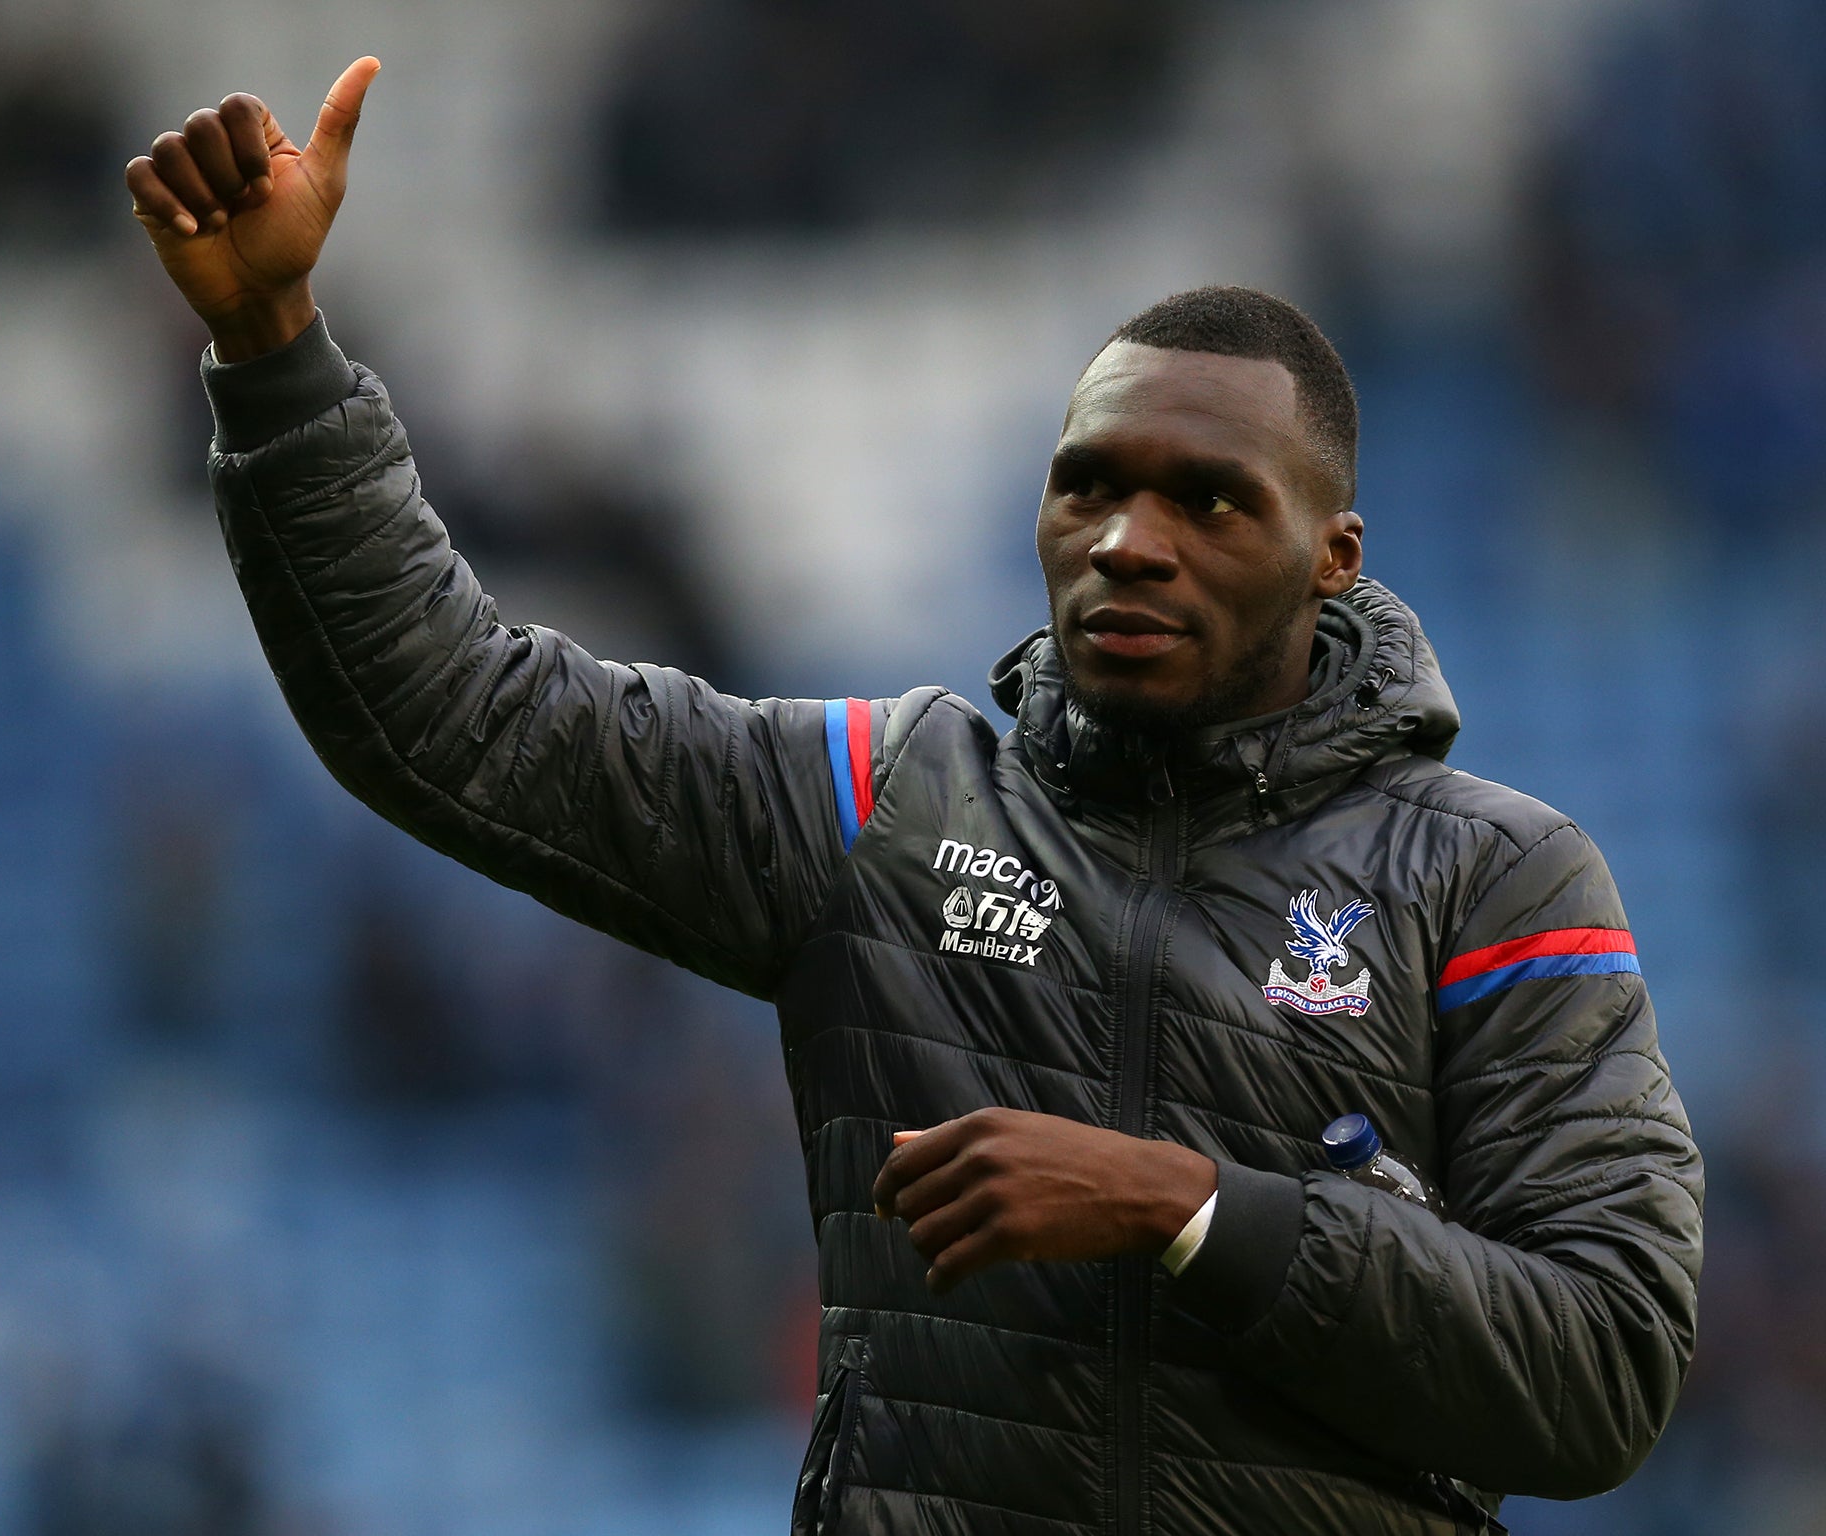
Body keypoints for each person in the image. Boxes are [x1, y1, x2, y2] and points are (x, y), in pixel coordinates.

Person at [125, 58, 1705, 1535]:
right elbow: (450, 714)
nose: (1128, 541)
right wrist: (273, 347)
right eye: (1090, 484)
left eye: (1209, 502)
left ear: (1333, 558)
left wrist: (1193, 1209)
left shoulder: (1494, 879)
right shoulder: (888, 798)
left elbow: (1605, 1369)